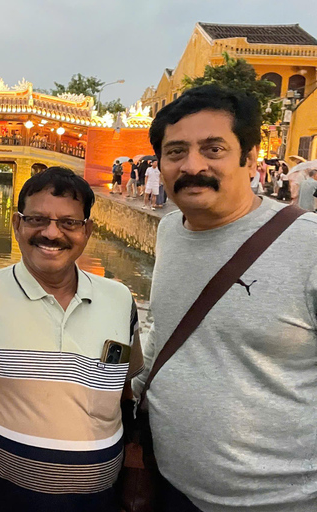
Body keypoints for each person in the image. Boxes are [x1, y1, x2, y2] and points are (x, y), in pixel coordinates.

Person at [134, 84, 317, 511]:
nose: (192, 165)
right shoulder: (169, 231)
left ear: (249, 160)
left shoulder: (309, 247)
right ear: (160, 163)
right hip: (172, 488)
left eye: (213, 149)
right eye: (176, 151)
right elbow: (162, 327)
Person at [0, 167, 144, 512]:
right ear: (16, 224)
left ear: (88, 231)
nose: (51, 233)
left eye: (68, 223)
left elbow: (124, 392)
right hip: (0, 495)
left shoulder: (119, 299)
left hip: (100, 499)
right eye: (37, 219)